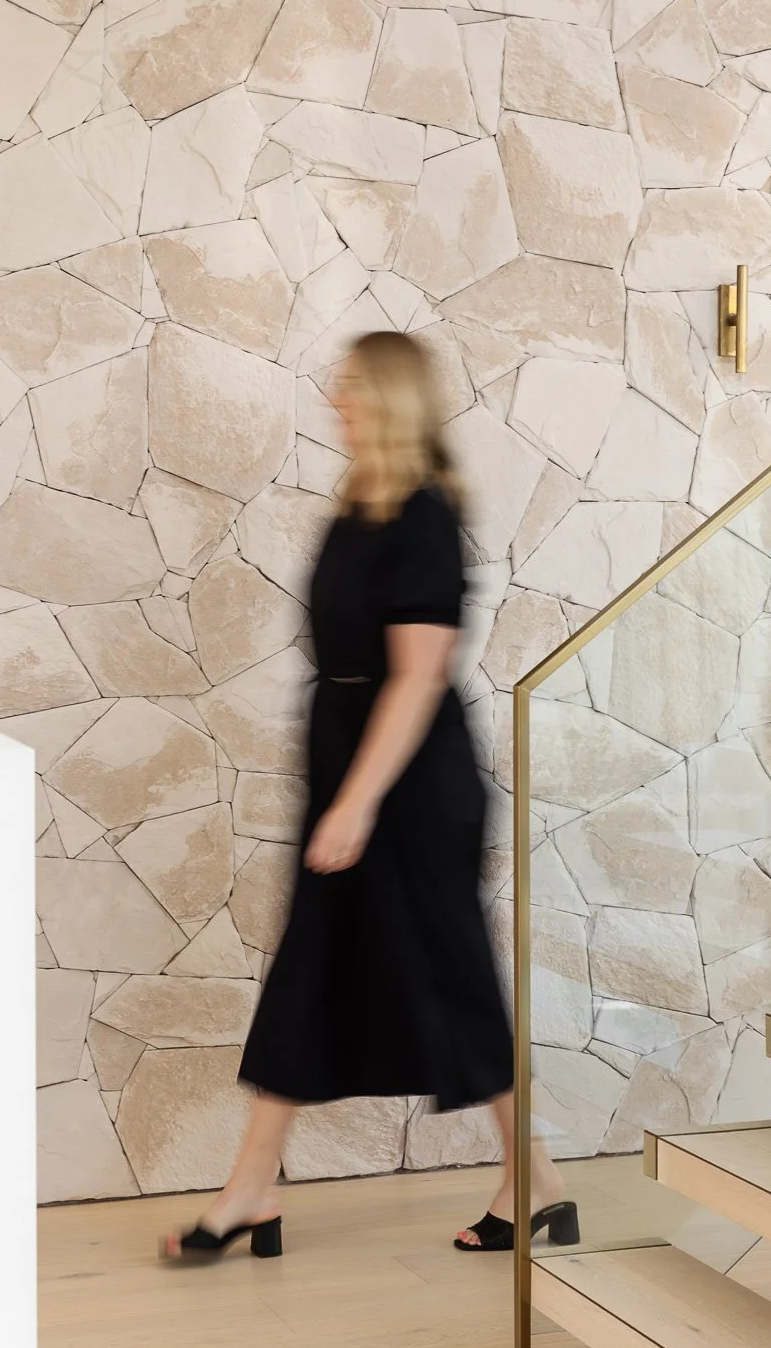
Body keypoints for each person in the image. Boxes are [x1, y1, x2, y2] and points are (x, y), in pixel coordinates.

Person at [163, 331, 576, 1262]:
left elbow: (418, 677)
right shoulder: (360, 505)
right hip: (352, 764)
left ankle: (534, 1182)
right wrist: (338, 793)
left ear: (389, 400)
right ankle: (253, 1190)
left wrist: (355, 804)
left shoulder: (423, 517)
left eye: (349, 389)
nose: (333, 401)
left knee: (453, 980)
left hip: (409, 785)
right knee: (314, 969)